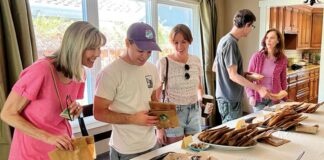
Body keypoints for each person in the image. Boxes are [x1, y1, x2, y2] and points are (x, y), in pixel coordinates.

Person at [0, 21, 106, 160]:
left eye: (99, 48)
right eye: (93, 48)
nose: (98, 53)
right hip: (31, 154)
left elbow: (57, 116)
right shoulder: (41, 70)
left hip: (60, 152)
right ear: (75, 47)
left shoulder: (79, 73)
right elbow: (7, 114)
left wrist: (71, 113)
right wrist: (48, 137)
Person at [93, 22, 161, 160]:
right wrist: (133, 119)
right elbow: (99, 113)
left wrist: (163, 119)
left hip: (152, 145)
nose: (145, 56)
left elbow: (154, 100)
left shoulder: (152, 69)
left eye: (149, 51)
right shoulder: (110, 73)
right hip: (125, 150)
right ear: (127, 43)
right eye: (141, 50)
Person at [212, 9, 270, 123]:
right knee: (232, 135)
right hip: (230, 99)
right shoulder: (231, 43)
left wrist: (246, 75)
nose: (251, 29)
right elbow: (232, 75)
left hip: (225, 98)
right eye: (252, 26)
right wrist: (258, 88)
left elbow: (216, 68)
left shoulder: (223, 40)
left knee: (230, 132)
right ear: (247, 25)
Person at [155, 24, 210, 145]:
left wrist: (203, 102)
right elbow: (156, 97)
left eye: (183, 42)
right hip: (173, 113)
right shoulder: (163, 63)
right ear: (171, 43)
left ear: (189, 41)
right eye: (175, 42)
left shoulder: (196, 61)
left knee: (195, 149)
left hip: (194, 111)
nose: (179, 46)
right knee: (176, 152)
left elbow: (199, 87)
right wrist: (159, 128)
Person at [246, 29, 288, 112]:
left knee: (273, 123)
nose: (268, 40)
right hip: (258, 98)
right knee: (260, 122)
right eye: (267, 38)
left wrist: (284, 97)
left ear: (278, 41)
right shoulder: (256, 57)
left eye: (272, 38)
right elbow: (248, 77)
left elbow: (283, 80)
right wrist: (251, 96)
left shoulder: (283, 59)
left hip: (275, 98)